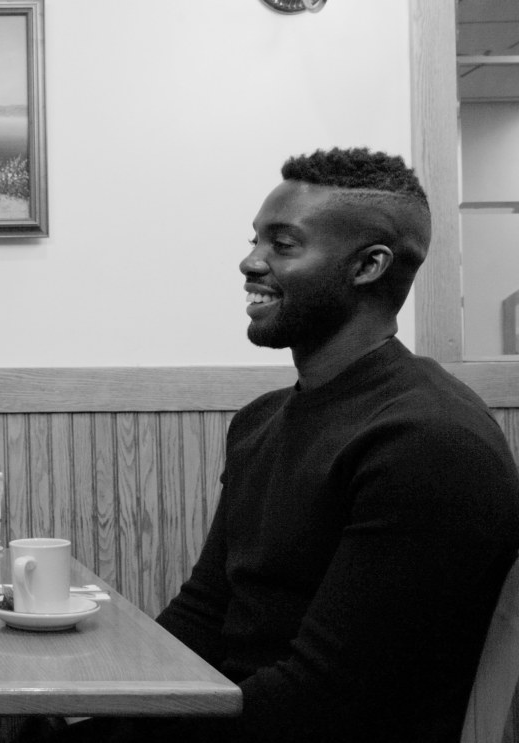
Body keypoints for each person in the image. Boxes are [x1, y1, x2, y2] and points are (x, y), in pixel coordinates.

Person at [48, 148, 519, 743]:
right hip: (244, 711)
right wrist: (106, 695)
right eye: (256, 240)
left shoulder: (429, 443)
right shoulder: (262, 420)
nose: (250, 261)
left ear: (368, 266)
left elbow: (332, 698)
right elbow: (204, 611)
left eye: (283, 244)